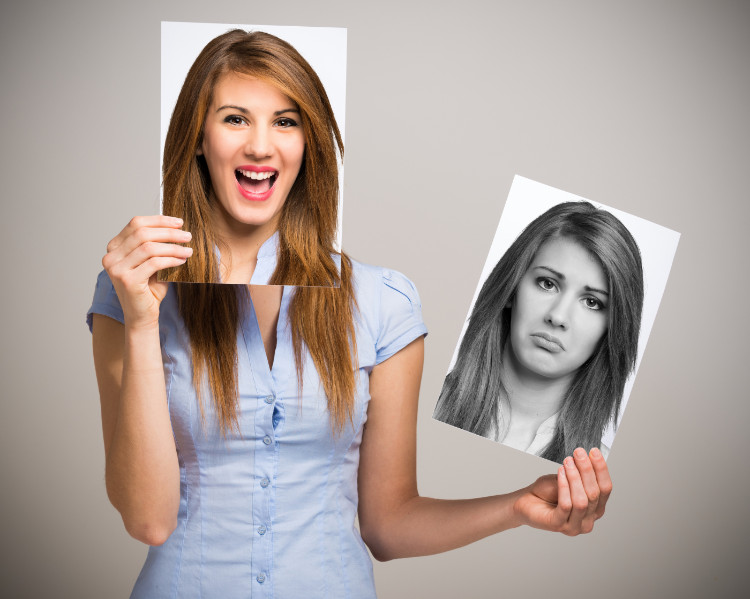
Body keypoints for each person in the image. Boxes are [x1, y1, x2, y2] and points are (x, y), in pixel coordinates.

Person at [89, 30, 614, 598]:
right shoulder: (132, 291)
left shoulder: (384, 302)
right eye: (235, 119)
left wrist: (515, 506)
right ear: (198, 138)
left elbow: (388, 526)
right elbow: (149, 520)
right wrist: (142, 323)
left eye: (285, 122)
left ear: (309, 144)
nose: (261, 146)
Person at [434, 201, 644, 463]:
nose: (557, 317)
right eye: (547, 284)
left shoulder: (601, 474)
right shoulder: (415, 403)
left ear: (612, 329)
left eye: (592, 302)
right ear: (512, 288)